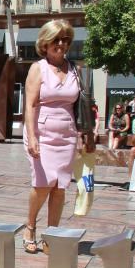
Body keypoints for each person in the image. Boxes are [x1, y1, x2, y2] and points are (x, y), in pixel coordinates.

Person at [22, 20, 89, 255]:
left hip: (67, 133)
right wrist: (32, 137)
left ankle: (52, 234)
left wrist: (83, 135)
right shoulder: (37, 68)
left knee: (60, 186)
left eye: (65, 40)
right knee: (42, 184)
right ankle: (30, 227)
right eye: (56, 40)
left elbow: (79, 105)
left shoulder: (75, 69)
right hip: (42, 132)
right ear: (45, 42)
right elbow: (29, 106)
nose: (61, 44)